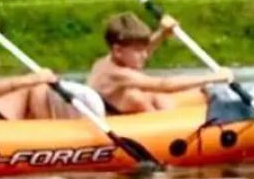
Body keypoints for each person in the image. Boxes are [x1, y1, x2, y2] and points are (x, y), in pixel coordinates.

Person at [87, 12, 234, 114]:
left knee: (152, 96)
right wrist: (213, 77)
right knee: (139, 97)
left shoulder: (115, 58)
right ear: (117, 50)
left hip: (114, 108)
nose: (145, 55)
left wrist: (163, 33)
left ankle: (172, 117)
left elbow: (139, 50)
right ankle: (170, 125)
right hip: (113, 118)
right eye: (139, 51)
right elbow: (164, 85)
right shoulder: (116, 74)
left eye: (144, 49)